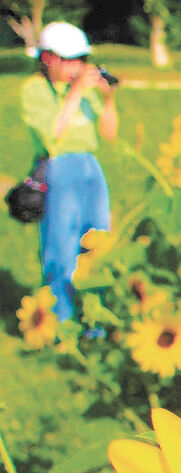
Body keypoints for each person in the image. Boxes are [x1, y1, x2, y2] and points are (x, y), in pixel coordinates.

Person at [20, 21, 118, 322]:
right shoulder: (34, 90)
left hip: (90, 167)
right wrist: (76, 91)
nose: (77, 67)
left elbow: (109, 133)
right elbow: (53, 136)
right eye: (70, 59)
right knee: (60, 246)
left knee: (97, 243)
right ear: (49, 58)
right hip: (58, 168)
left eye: (81, 59)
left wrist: (108, 98)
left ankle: (94, 320)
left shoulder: (87, 92)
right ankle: (60, 319)